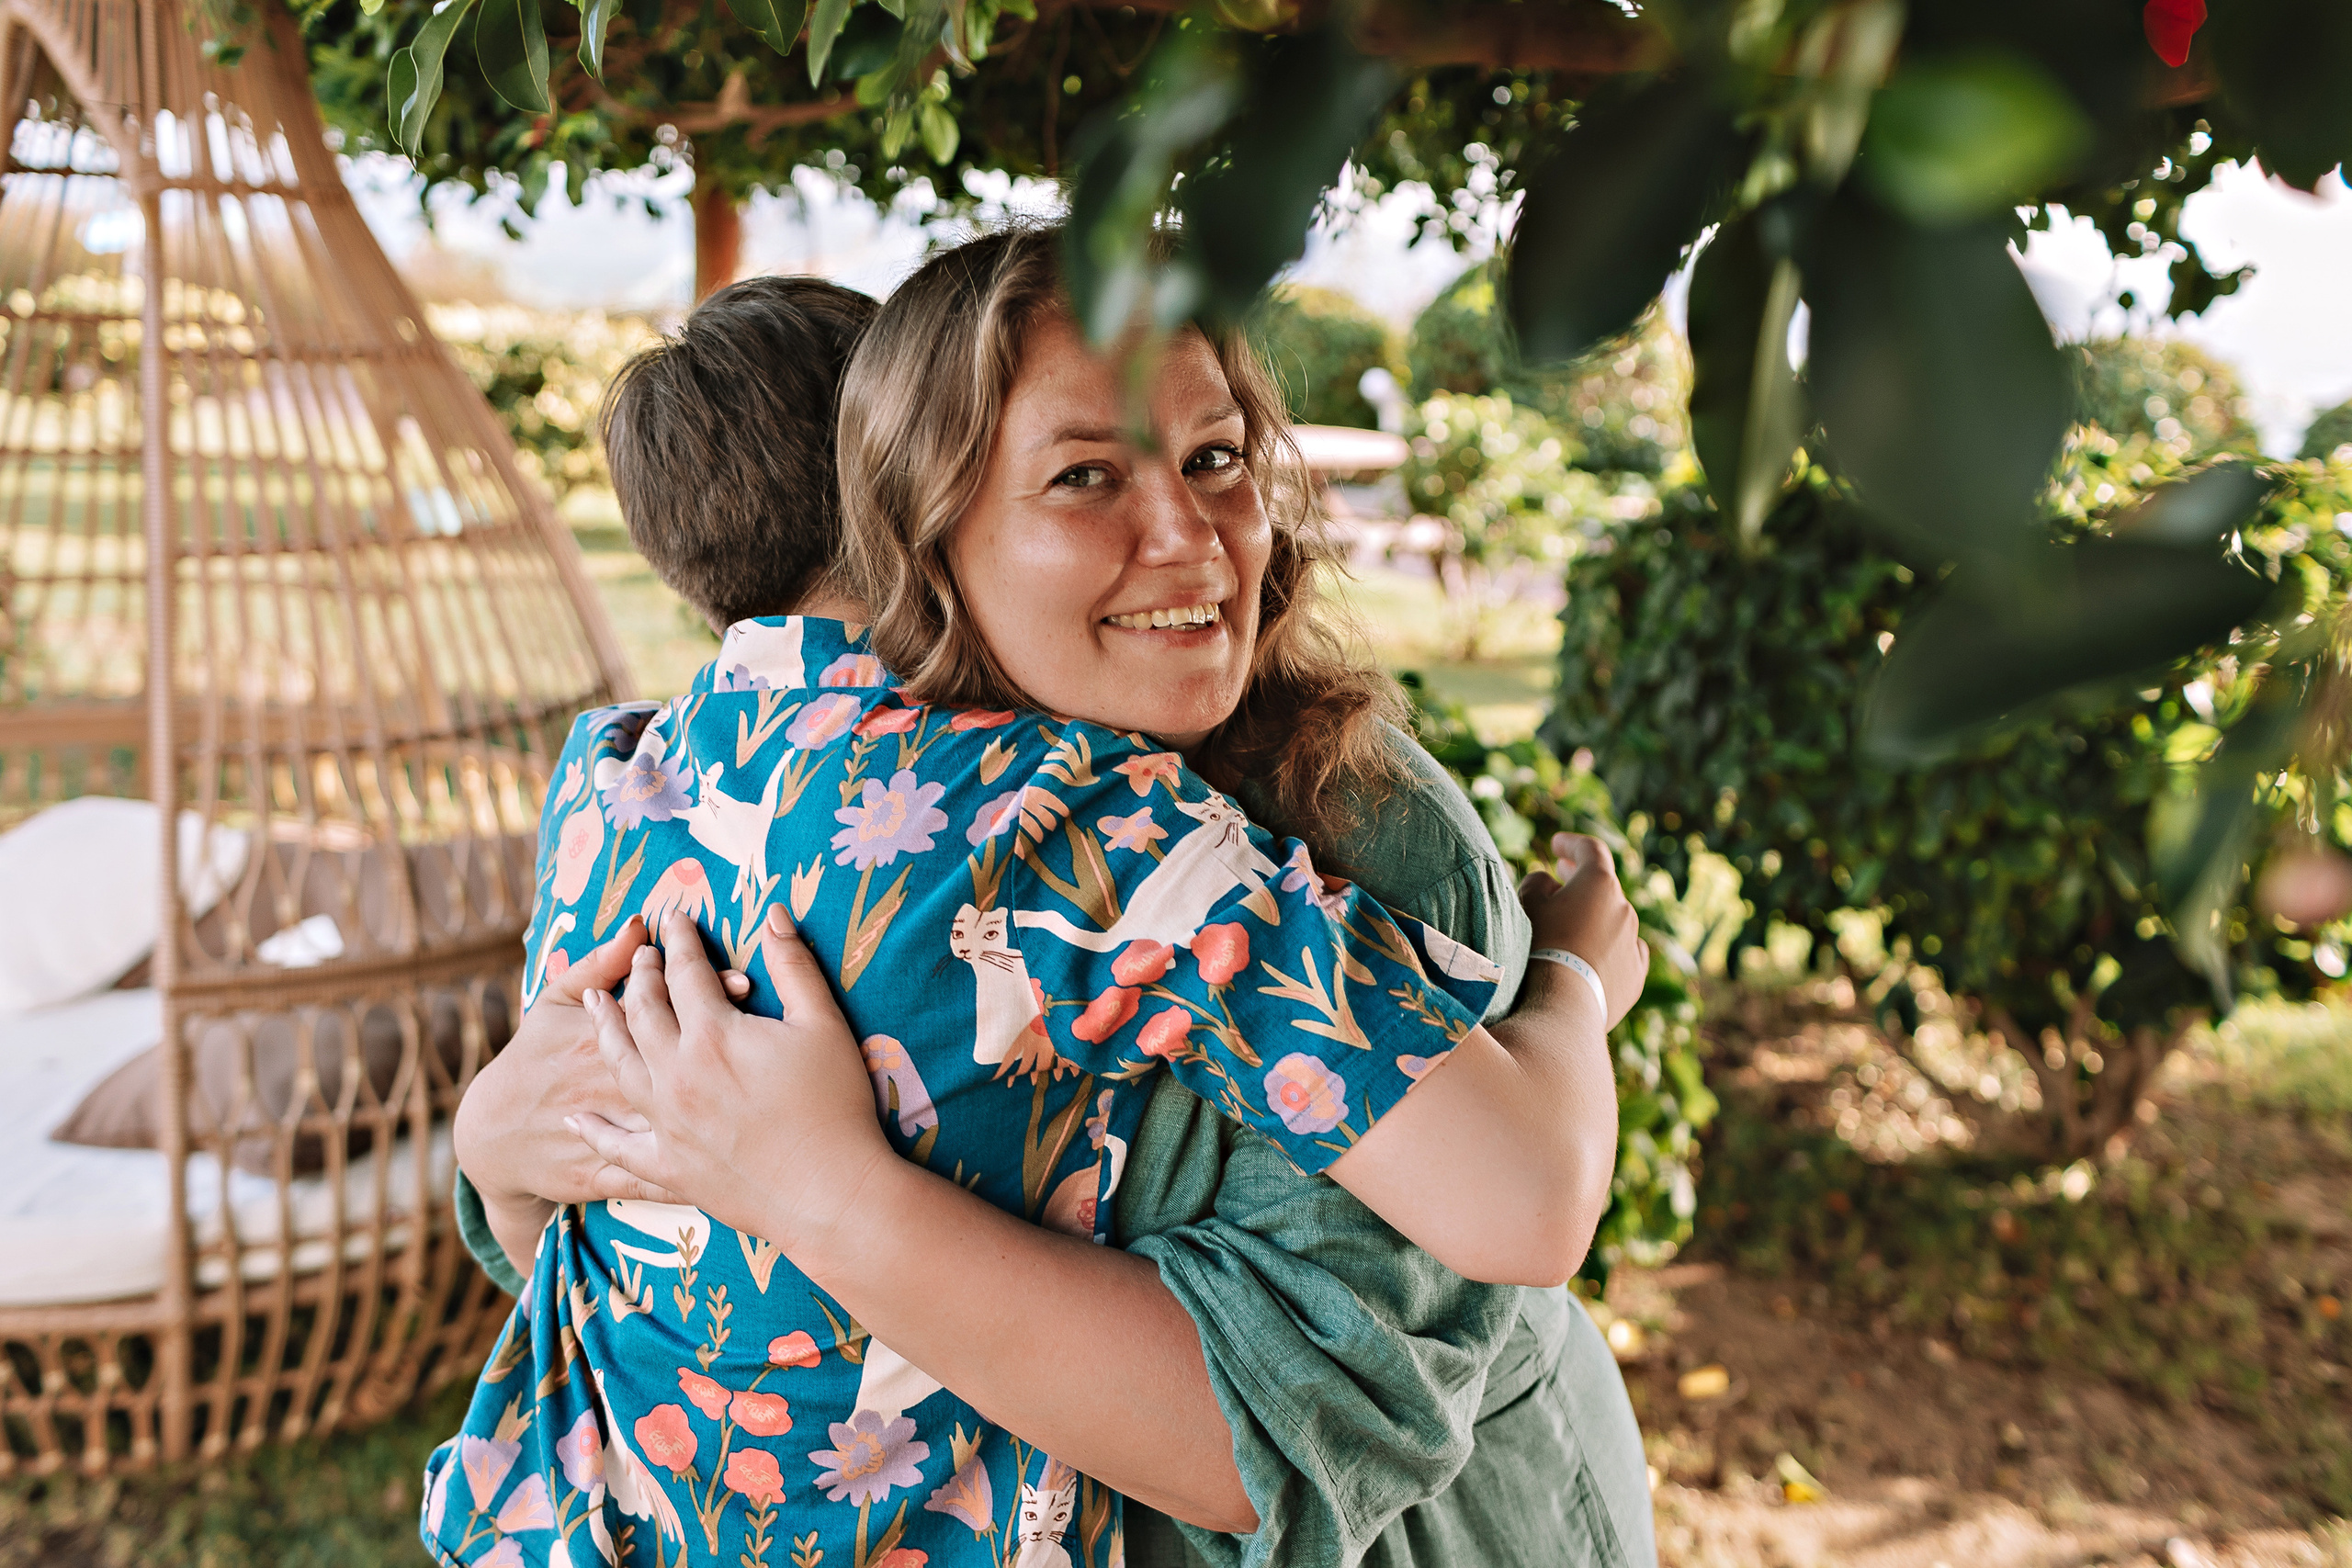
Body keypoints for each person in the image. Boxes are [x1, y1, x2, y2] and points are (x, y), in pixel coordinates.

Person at [443, 243, 1654, 1568]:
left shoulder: (623, 781)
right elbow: (641, 1258)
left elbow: (1287, 1424)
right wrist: (1574, 985)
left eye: (1217, 457)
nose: (1186, 538)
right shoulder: (1068, 824)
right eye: (1082, 475)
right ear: (907, 522)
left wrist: (794, 1186)